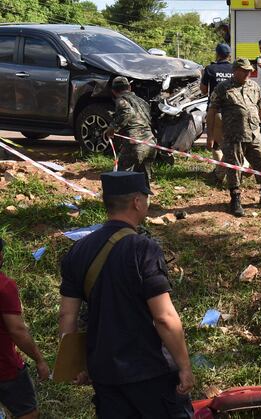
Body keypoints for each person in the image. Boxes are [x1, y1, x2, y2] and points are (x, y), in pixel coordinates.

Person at [58, 172, 194, 418]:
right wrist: (184, 366)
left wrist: (75, 365)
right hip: (150, 369)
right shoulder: (143, 249)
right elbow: (164, 317)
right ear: (137, 202)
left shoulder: (78, 250)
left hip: (105, 374)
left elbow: (67, 315)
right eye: (146, 198)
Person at [207, 58, 261, 216]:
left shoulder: (254, 87)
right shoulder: (223, 88)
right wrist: (210, 135)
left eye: (249, 71)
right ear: (235, 71)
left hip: (254, 134)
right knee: (234, 168)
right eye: (244, 71)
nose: (248, 73)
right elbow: (212, 112)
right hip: (233, 136)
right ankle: (235, 200)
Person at [0, 238, 49, 419]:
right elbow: (17, 331)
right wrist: (39, 360)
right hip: (5, 368)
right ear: (0, 256)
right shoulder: (4, 286)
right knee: (28, 413)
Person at [104, 76, 156, 188]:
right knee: (144, 179)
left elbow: (127, 112)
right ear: (130, 87)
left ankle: (121, 198)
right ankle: (144, 198)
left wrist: (112, 128)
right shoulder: (142, 101)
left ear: (113, 91)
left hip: (135, 145)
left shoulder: (121, 100)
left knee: (123, 177)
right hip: (150, 143)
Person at [200, 43, 235, 182]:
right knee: (233, 142)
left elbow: (203, 90)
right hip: (233, 111)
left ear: (217, 54)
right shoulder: (235, 68)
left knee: (217, 144)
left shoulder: (210, 69)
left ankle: (220, 174)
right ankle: (234, 169)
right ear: (229, 55)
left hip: (216, 111)